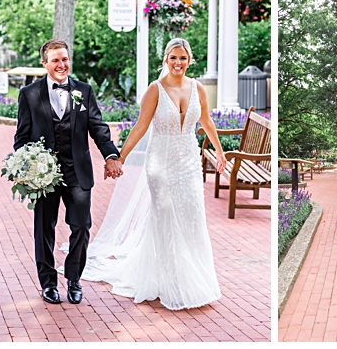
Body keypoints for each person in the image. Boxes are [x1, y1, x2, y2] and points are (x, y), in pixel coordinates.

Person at [75, 38, 227, 310]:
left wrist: (220, 152)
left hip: (189, 162)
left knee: (192, 217)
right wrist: (119, 157)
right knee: (166, 218)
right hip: (161, 164)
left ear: (189, 60)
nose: (178, 63)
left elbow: (206, 120)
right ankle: (171, 282)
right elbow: (140, 127)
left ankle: (193, 276)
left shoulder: (198, 88)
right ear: (165, 61)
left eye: (183, 58)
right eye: (173, 58)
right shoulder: (155, 90)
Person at [13, 39, 121, 306]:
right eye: (55, 60)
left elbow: (97, 127)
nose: (61, 65)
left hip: (77, 171)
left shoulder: (83, 90)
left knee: (82, 226)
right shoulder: (29, 94)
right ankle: (48, 283)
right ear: (44, 63)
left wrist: (110, 154)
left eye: (65, 59)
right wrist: (29, 165)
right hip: (44, 176)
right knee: (44, 230)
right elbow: (21, 137)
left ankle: (74, 279)